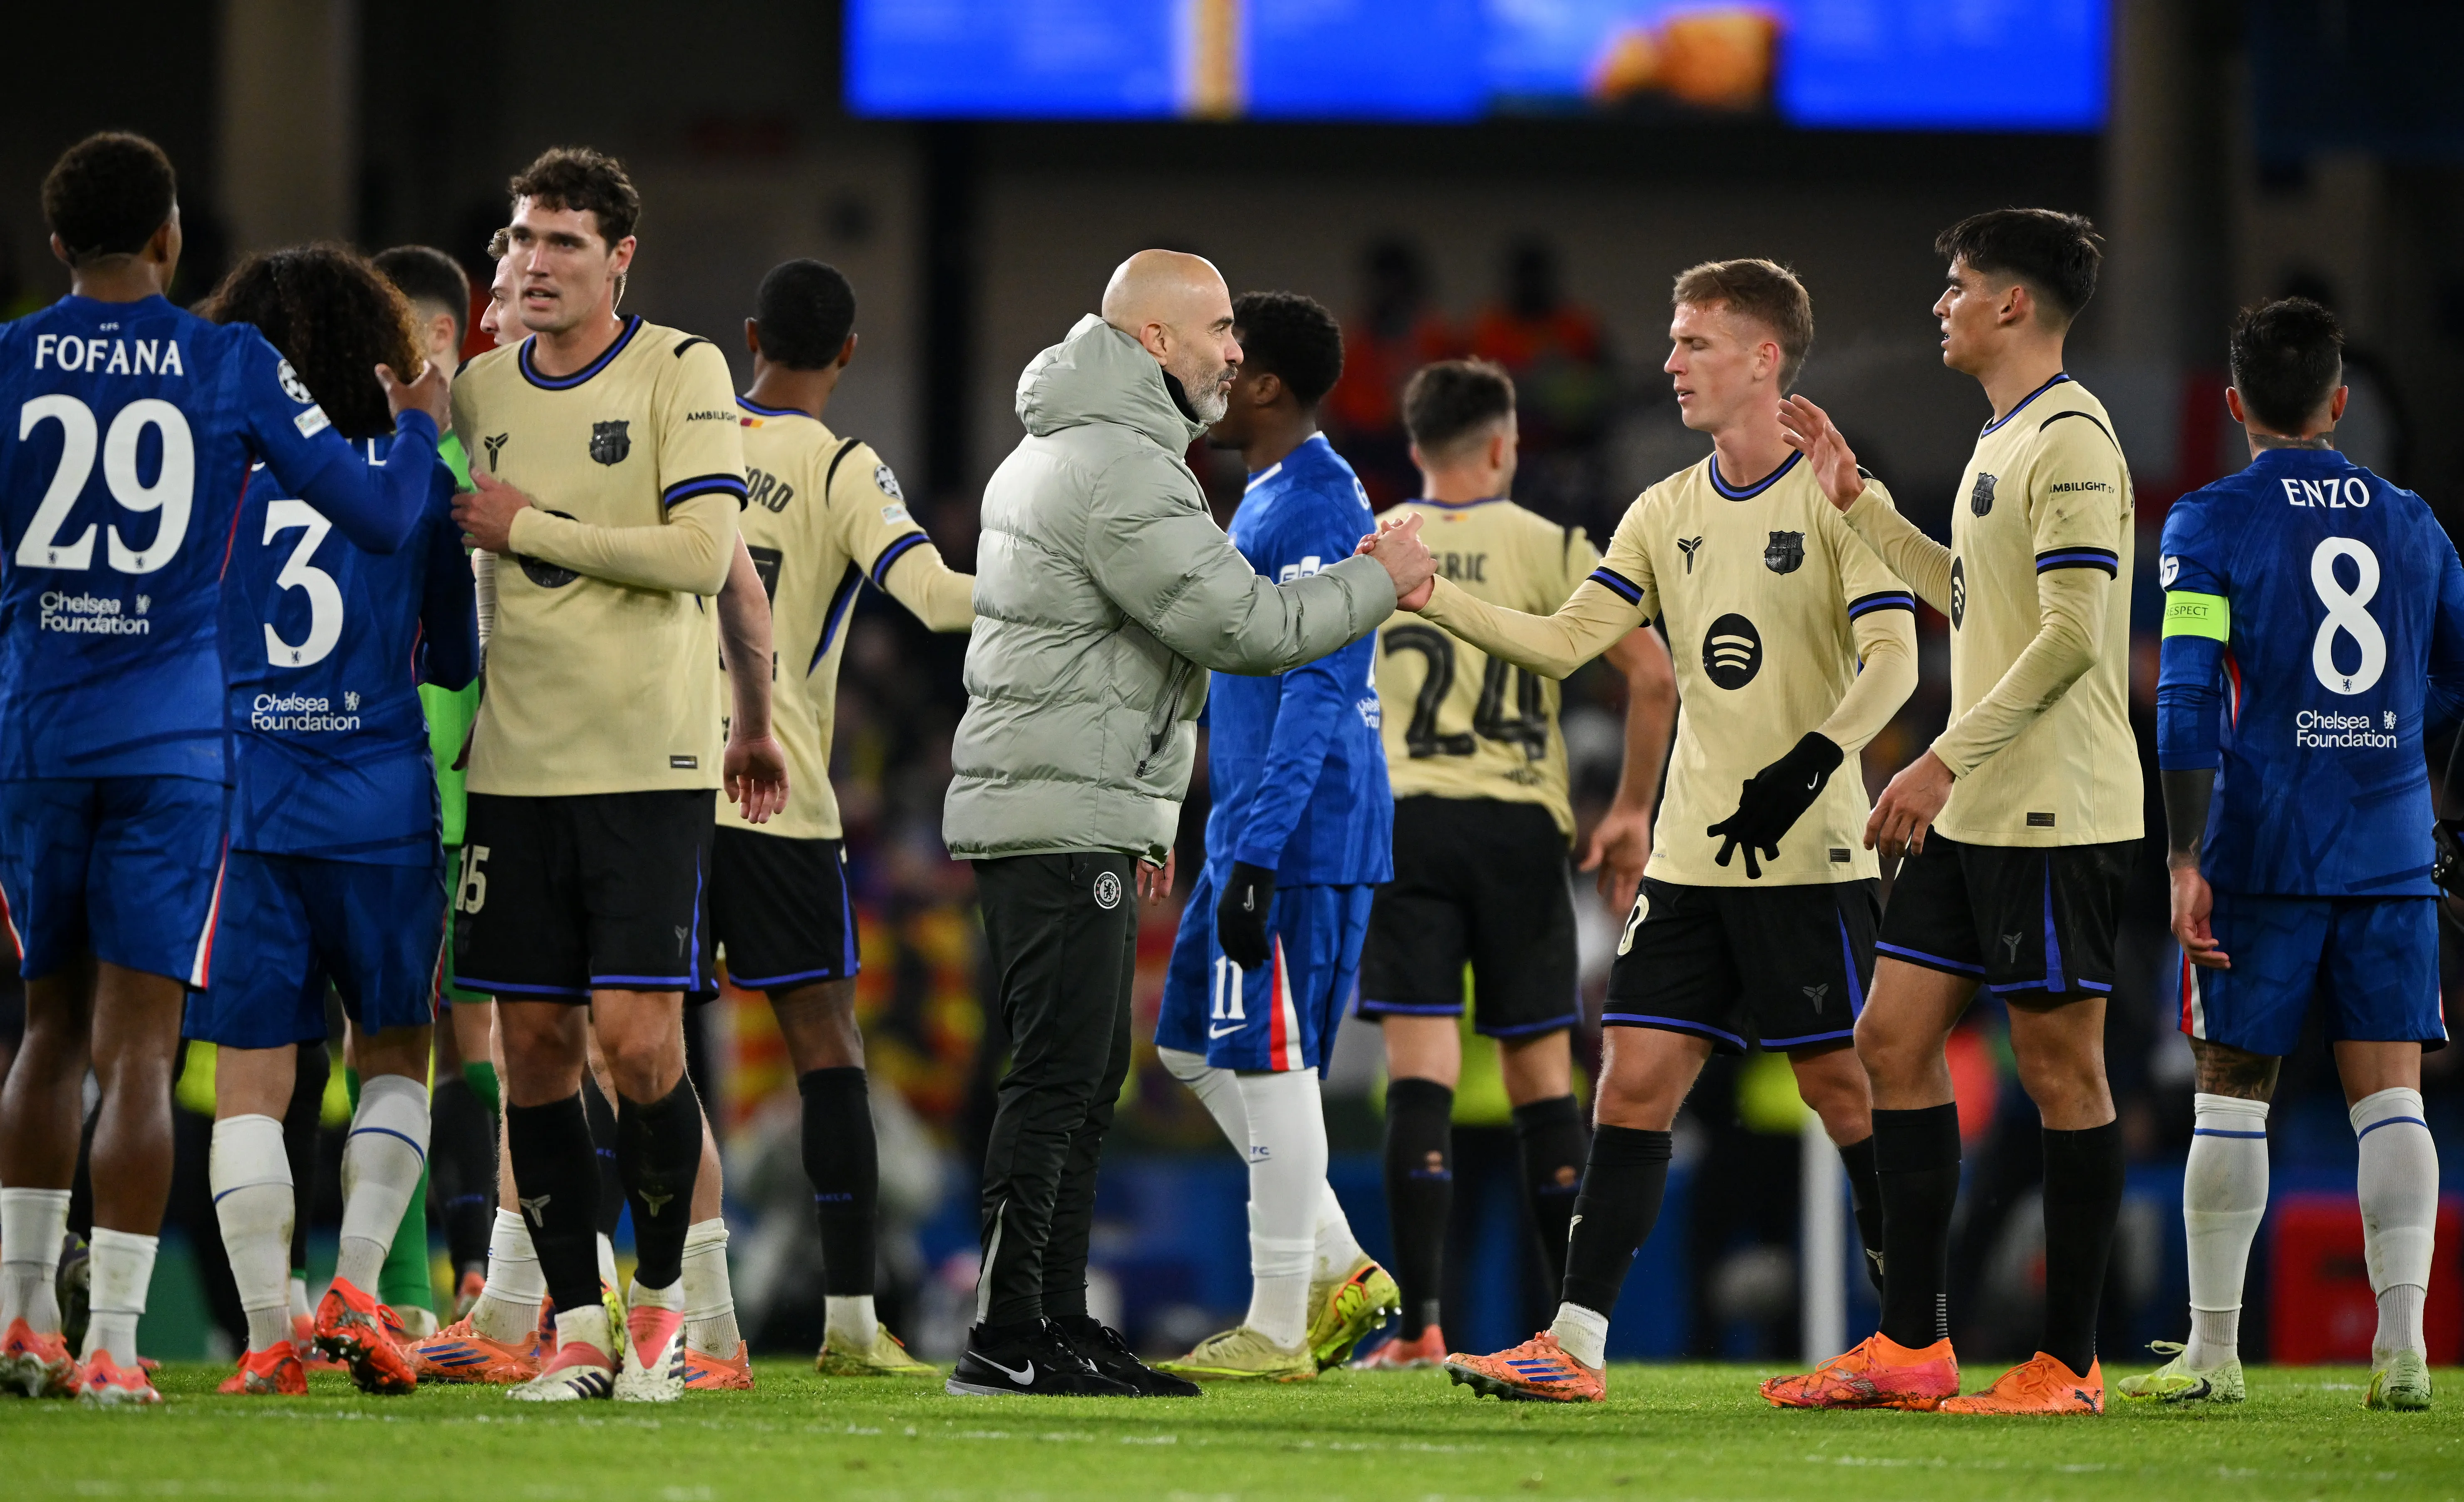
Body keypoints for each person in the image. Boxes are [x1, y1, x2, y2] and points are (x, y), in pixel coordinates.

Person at [1371, 262, 1914, 1403]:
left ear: (1764, 359)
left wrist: (1815, 762)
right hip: (1691, 858)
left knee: (1843, 1091)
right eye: (1673, 342)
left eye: (1695, 343)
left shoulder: (1839, 499)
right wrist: (1432, 599)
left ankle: (1914, 1331)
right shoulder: (1661, 510)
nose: (1669, 362)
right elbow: (1570, 643)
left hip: (1809, 855)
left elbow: (1896, 659)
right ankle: (1573, 1342)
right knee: (1630, 1085)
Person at [0, 132, 448, 1407]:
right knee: (141, 1053)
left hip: (39, 731)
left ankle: (23, 1320)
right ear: (171, 237)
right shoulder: (227, 367)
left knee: (45, 1035)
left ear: (53, 245)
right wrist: (416, 430)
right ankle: (114, 1348)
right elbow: (374, 519)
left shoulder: (9, 360)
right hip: (181, 748)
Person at [940, 249, 1434, 1398]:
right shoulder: (1123, 464)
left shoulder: (1073, 445)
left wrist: (1150, 807)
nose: (1231, 349)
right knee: (1064, 1074)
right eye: (1215, 327)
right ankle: (1011, 1332)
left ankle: (1053, 1322)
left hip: (1071, 798)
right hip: (1062, 805)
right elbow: (1238, 627)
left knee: (1087, 1067)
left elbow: (1122, 654)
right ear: (1153, 341)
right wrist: (1382, 581)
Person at [1765, 208, 2137, 1415]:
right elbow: (1969, 598)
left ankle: (2069, 1364)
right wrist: (1857, 502)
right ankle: (1914, 1345)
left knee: (2059, 1069)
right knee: (1891, 1043)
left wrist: (1933, 759)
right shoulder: (2003, 437)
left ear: (2012, 306)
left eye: (1960, 284)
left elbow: (2075, 639)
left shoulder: (2072, 439)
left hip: (2051, 809)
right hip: (1978, 807)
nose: (1941, 304)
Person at [443, 146, 786, 1402]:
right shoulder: (479, 389)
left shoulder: (681, 367)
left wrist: (528, 525)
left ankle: (662, 1315)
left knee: (640, 1048)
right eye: (522, 240)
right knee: (532, 1047)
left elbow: (704, 554)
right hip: (516, 769)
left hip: (648, 760)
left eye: (564, 244)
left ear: (619, 258)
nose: (535, 262)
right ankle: (578, 1332)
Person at [2124, 297, 2454, 1413]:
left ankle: (2214, 1353)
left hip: (2260, 844)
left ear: (2233, 406)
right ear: (2339, 402)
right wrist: (2403, 748)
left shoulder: (2208, 524)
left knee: (2231, 1091)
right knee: (2390, 1097)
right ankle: (2402, 1349)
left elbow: (2182, 696)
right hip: (2387, 844)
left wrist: (2181, 850)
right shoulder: (2414, 523)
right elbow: (2454, 675)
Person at [184, 245, 477, 1397]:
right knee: (396, 1052)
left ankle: (270, 1337)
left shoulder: (219, 482)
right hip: (385, 812)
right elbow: (454, 658)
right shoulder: (412, 487)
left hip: (251, 807)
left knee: (252, 1079)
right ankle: (360, 1286)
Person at [1350, 357, 1676, 1371]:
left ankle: (1421, 1327)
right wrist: (1630, 809)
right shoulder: (1551, 543)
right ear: (1503, 445)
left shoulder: (1375, 542)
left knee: (1421, 1073)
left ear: (1415, 449)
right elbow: (1654, 676)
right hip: (1520, 827)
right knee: (1542, 1076)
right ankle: (1567, 1335)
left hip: (1405, 820)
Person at [717, 258, 972, 1377]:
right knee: (827, 1046)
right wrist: (1064, 581)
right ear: (850, 354)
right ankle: (854, 1327)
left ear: (750, 334)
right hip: (781, 800)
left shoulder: (687, 435)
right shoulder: (842, 466)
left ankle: (644, 1311)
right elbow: (933, 597)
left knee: (632, 1042)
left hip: (657, 785)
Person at [1146, 291, 1402, 1382]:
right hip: (1254, 825)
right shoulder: (1266, 497)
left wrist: (1254, 849)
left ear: (1264, 385)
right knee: (1189, 1048)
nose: (1208, 368)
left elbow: (1318, 689)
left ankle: (1280, 1325)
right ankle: (1338, 1264)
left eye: (1225, 352)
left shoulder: (1314, 503)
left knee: (1272, 1051)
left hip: (1296, 830)